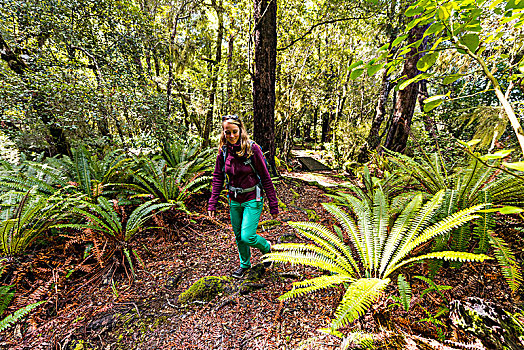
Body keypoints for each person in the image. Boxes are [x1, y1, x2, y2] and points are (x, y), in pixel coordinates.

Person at [207, 115, 279, 279]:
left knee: (248, 236)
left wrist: (273, 205)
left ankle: (267, 247)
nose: (231, 136)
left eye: (234, 132)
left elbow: (266, 177)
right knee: (239, 236)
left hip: (253, 198)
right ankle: (245, 264)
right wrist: (212, 203)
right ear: (223, 133)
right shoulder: (223, 151)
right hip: (234, 199)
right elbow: (218, 177)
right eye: (227, 132)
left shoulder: (252, 149)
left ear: (240, 130)